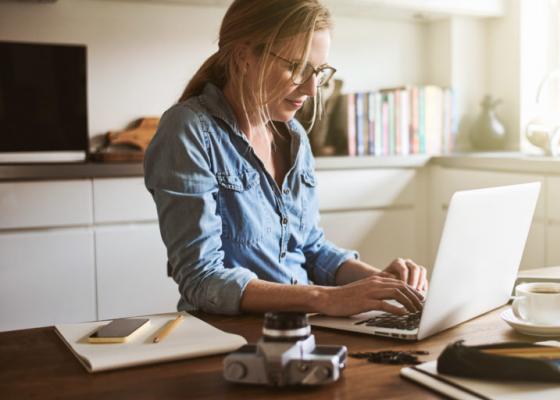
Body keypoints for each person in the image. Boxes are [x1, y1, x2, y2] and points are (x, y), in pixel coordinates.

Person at [144, 0, 427, 317]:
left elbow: (310, 248)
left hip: (304, 329)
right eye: (297, 68)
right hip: (229, 336)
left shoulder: (293, 137)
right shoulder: (189, 130)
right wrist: (323, 298)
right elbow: (201, 279)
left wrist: (383, 283)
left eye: (318, 73)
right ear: (243, 58)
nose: (311, 89)